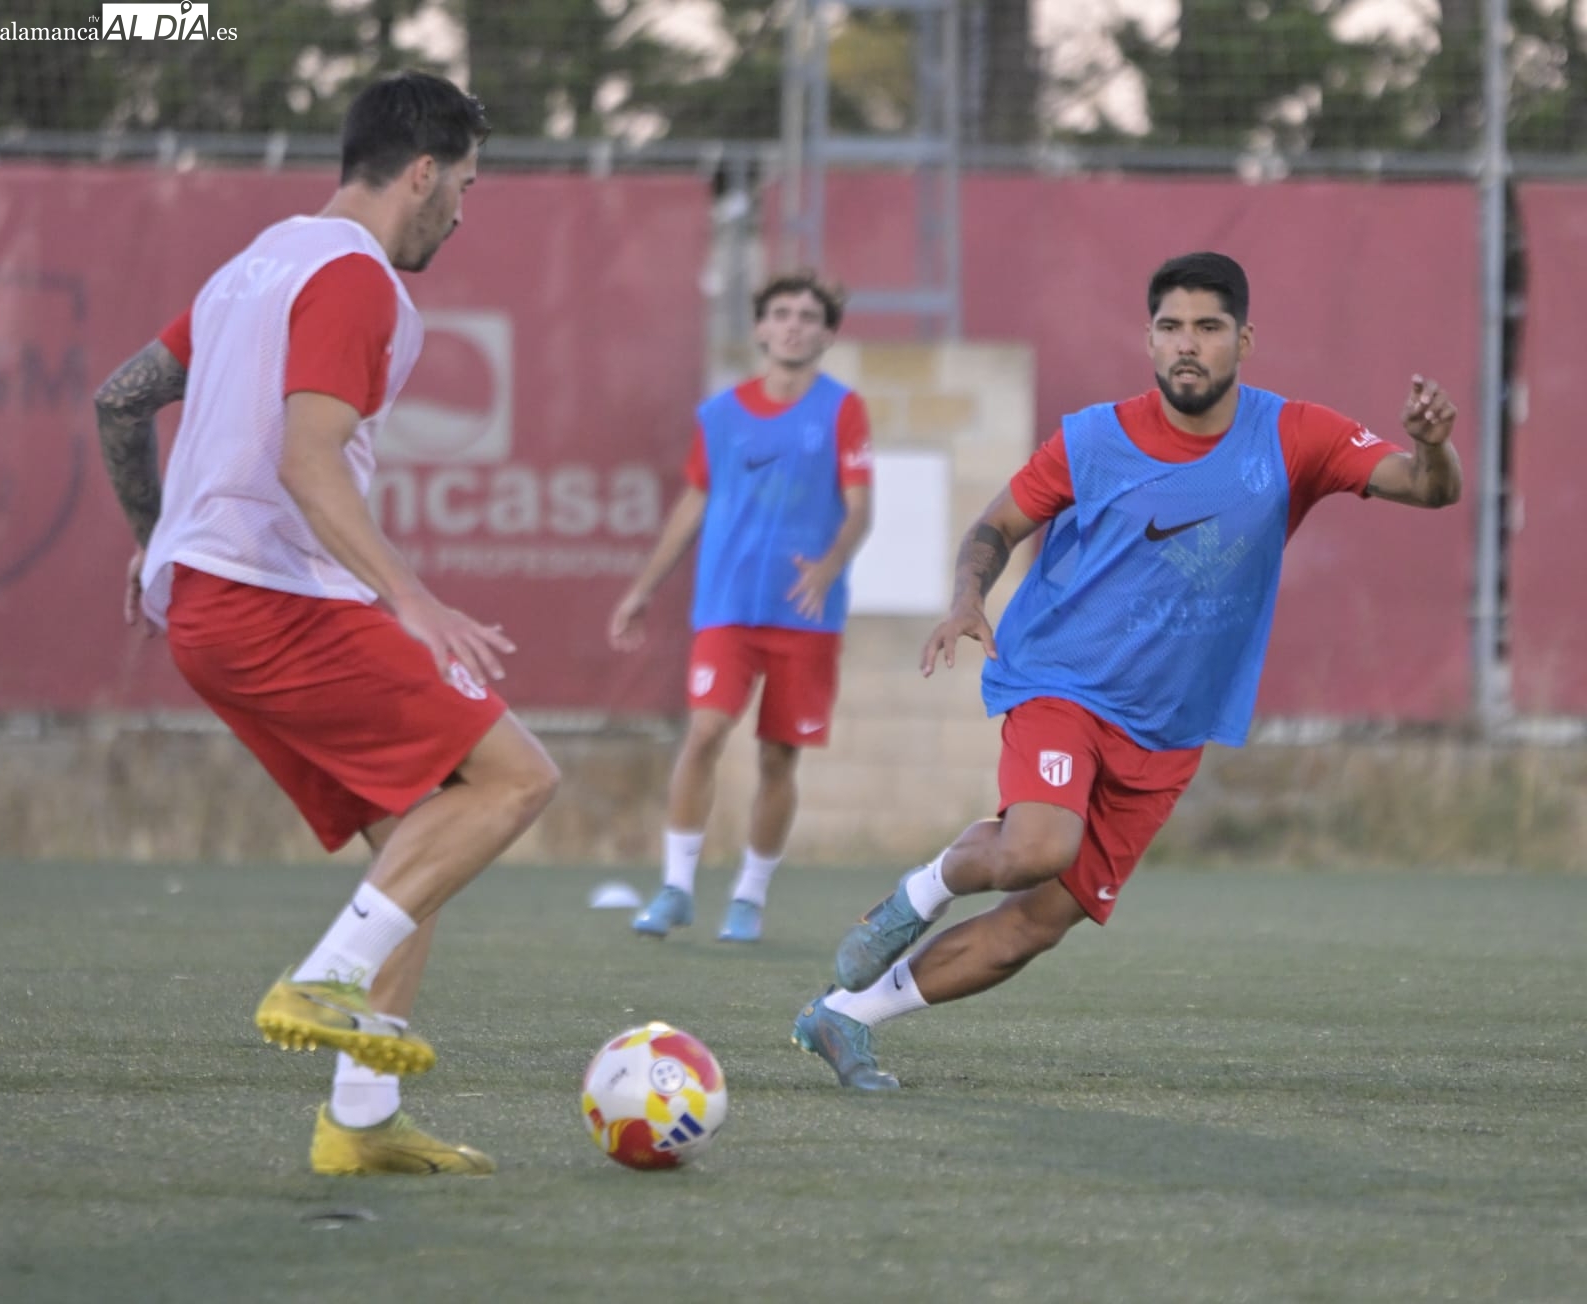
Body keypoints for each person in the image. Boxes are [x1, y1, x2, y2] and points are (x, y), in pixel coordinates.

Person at [791, 251, 1462, 1089]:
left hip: (1171, 727)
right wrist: (968, 598)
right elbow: (994, 527)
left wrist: (1434, 449)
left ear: (1244, 339)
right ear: (1148, 339)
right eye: (1172, 327)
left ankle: (842, 1018)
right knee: (1039, 846)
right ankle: (918, 894)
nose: (1189, 345)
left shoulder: (1296, 436)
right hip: (1063, 682)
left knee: (1035, 926)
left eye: (1209, 328)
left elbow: (1428, 490)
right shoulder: (1094, 437)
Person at [92, 71, 561, 1171]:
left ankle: (358, 1122)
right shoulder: (357, 279)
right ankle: (324, 977)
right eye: (466, 187)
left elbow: (120, 397)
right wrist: (415, 599)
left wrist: (153, 536)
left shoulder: (253, 264)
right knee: (516, 778)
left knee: (420, 842)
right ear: (422, 172)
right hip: (273, 599)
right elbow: (308, 461)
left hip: (214, 606)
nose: (463, 211)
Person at [607, 271, 874, 944]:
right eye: (781, 313)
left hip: (805, 615)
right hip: (726, 607)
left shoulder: (842, 410)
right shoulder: (720, 416)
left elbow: (860, 506)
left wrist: (831, 563)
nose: (793, 325)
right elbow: (694, 501)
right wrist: (642, 588)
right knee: (703, 735)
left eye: (808, 316)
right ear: (759, 327)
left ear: (826, 333)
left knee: (780, 757)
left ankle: (749, 896)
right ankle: (675, 888)